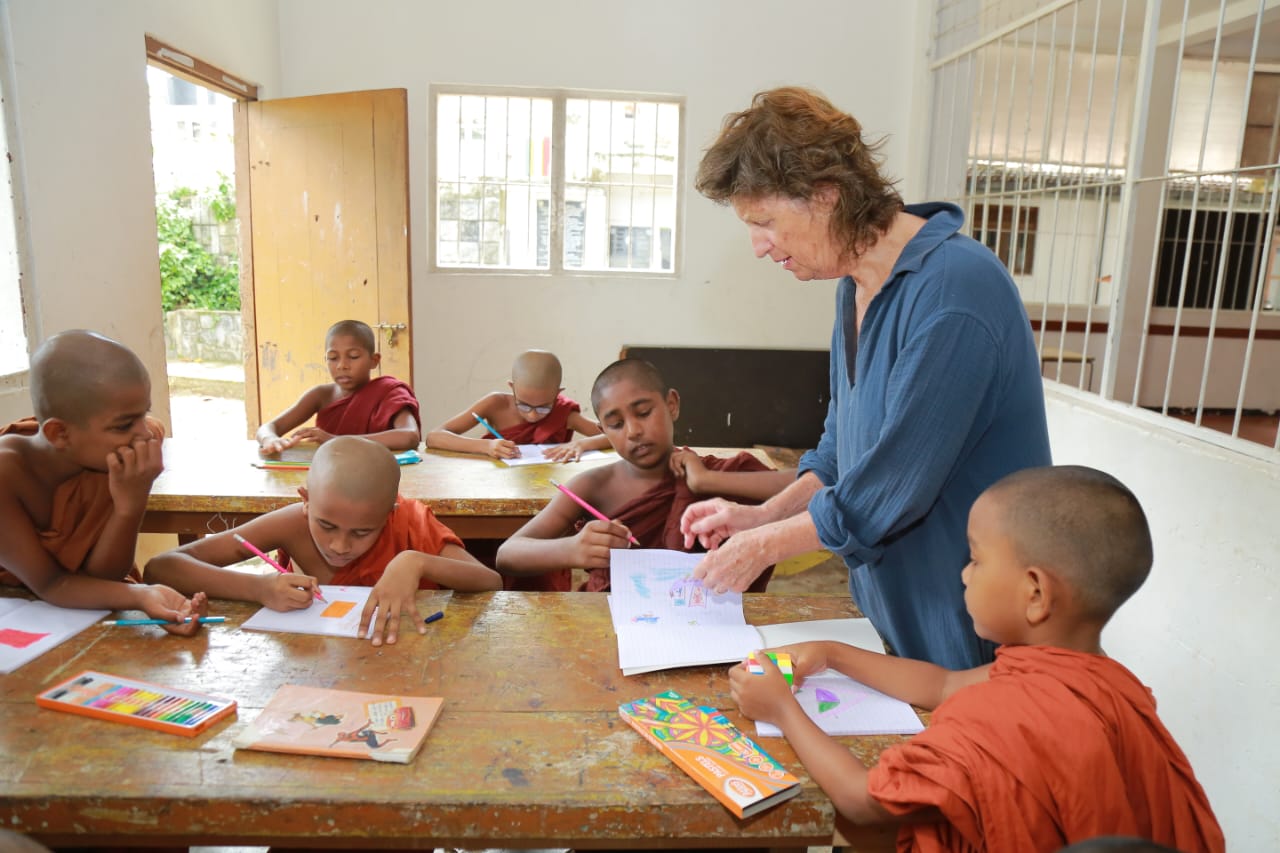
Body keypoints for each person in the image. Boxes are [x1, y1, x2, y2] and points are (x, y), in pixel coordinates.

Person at [682, 86, 1051, 669]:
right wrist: (760, 516)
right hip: (894, 607)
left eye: (765, 222)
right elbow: (839, 454)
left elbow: (888, 489)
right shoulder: (854, 287)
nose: (758, 246)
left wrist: (765, 547)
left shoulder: (956, 290)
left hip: (971, 618)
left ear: (825, 195)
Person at [730, 466, 1224, 853]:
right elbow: (943, 685)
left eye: (976, 559)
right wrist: (832, 653)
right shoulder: (1103, 680)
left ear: (1035, 593)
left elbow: (864, 802)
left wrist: (782, 710)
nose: (964, 575)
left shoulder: (995, 723)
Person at [147, 436, 500, 645]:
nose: (340, 546)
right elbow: (162, 567)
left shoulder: (408, 522)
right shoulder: (292, 523)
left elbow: (490, 580)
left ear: (389, 513)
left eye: (362, 533)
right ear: (305, 500)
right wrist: (258, 589)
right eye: (326, 525)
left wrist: (417, 561)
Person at [495, 359, 793, 591]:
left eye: (643, 412)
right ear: (602, 432)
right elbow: (508, 554)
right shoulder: (595, 485)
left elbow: (808, 486)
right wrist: (572, 549)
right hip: (614, 624)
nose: (634, 431)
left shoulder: (718, 471)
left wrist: (708, 482)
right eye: (615, 424)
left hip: (710, 620)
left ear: (671, 404)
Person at [0, 330, 207, 634]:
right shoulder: (7, 475)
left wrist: (130, 506)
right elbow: (52, 583)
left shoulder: (118, 454)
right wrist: (139, 595)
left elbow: (103, 576)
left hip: (80, 612)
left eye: (143, 415)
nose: (146, 434)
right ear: (60, 434)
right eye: (125, 425)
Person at [257, 320, 421, 454]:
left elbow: (409, 436)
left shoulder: (388, 392)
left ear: (374, 360)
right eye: (333, 358)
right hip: (331, 477)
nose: (342, 365)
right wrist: (270, 439)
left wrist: (336, 440)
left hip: (379, 476)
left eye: (353, 356)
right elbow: (268, 427)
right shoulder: (321, 395)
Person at [426, 349, 610, 463]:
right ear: (512, 388)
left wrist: (582, 444)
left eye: (543, 407)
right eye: (523, 405)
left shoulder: (564, 413)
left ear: (557, 393)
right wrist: (486, 446)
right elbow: (434, 437)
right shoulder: (495, 404)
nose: (532, 415)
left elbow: (617, 437)